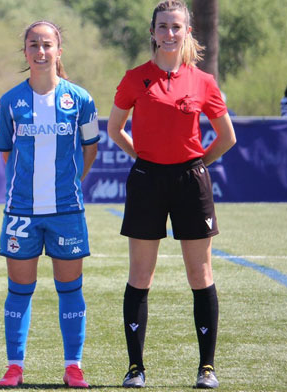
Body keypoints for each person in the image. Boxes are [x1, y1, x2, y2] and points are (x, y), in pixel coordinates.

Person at [106, 1, 236, 389]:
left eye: (176, 27)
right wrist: (143, 157)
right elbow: (115, 129)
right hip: (147, 180)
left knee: (200, 274)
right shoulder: (135, 78)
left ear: (187, 32)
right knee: (141, 275)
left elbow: (227, 137)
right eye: (162, 26)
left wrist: (197, 165)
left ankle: (206, 368)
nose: (169, 34)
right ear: (153, 31)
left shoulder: (203, 81)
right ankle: (135, 368)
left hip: (190, 182)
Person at [0, 20, 99, 389]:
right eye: (34, 45)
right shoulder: (9, 102)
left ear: (59, 51)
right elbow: (6, 153)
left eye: (47, 45)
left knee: (70, 290)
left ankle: (73, 366)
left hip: (66, 211)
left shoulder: (81, 100)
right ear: (25, 52)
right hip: (21, 212)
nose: (41, 51)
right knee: (19, 291)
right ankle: (14, 367)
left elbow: (90, 149)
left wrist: (68, 184)